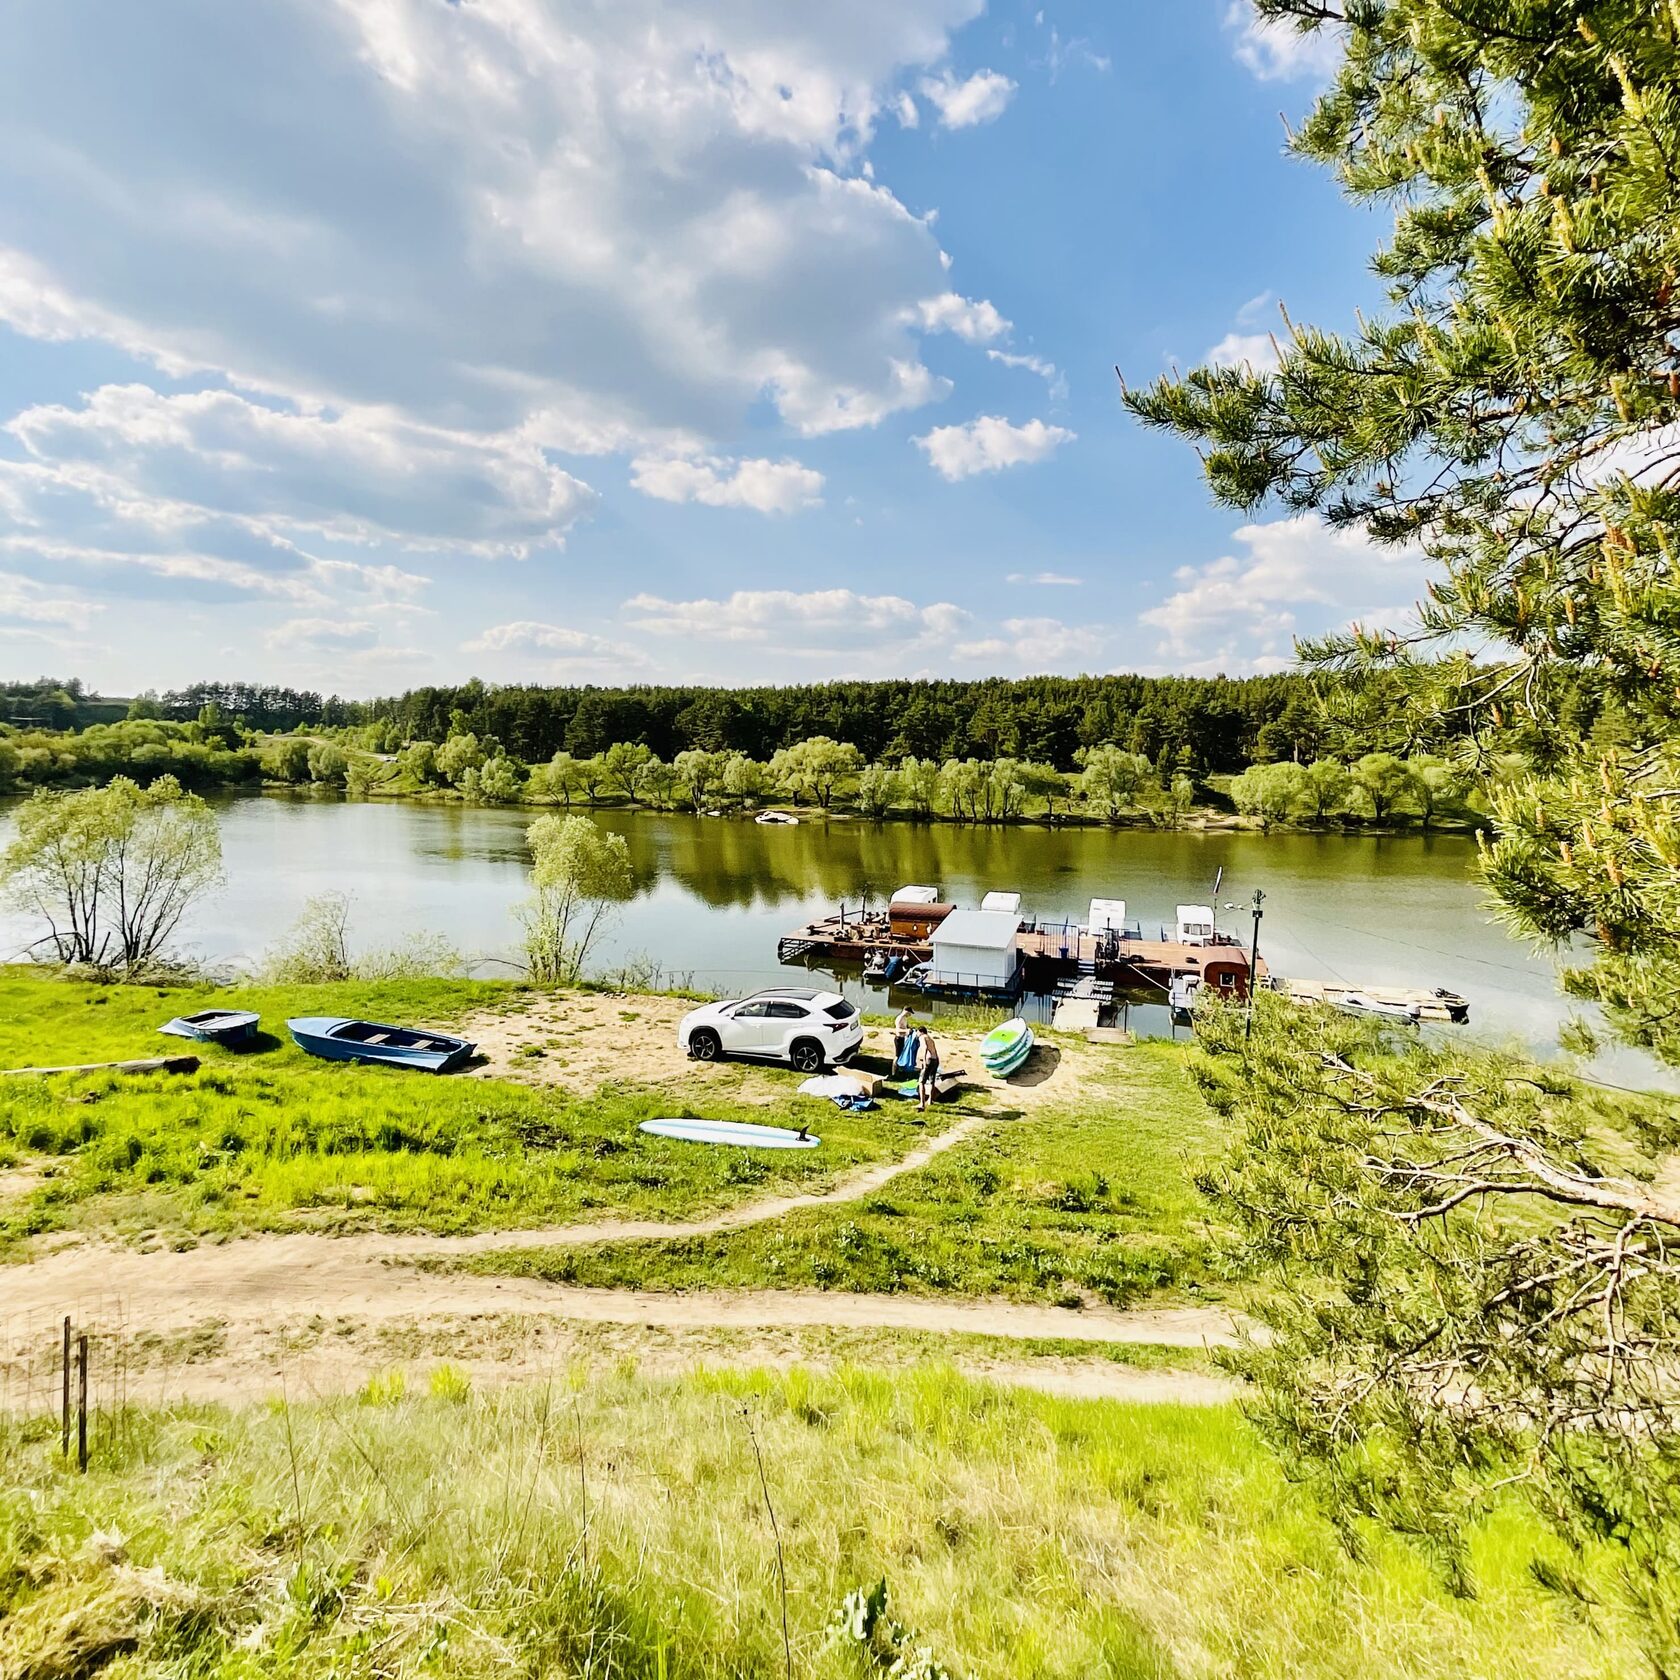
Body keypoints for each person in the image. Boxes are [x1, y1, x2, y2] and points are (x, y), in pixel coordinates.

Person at [916, 1027, 941, 1112]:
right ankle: (930, 1100)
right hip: (935, 1059)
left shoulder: (922, 1037)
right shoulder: (930, 1038)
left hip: (929, 1060)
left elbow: (925, 1048)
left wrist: (923, 1060)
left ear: (921, 1032)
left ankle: (922, 1104)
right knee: (931, 1081)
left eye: (917, 1032)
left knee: (921, 1081)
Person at [893, 1005, 916, 1072]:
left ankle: (899, 1069)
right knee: (897, 1056)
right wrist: (907, 1031)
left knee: (901, 1055)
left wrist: (910, 1029)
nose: (910, 1015)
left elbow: (905, 1026)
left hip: (903, 1038)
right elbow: (897, 1030)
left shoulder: (905, 1018)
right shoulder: (899, 1018)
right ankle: (893, 1071)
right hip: (898, 1039)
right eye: (909, 1013)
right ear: (906, 1011)